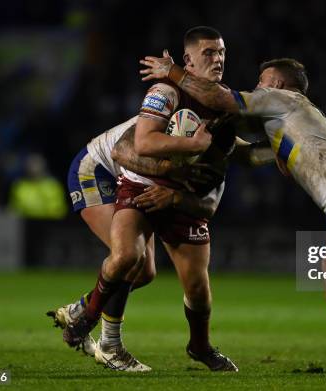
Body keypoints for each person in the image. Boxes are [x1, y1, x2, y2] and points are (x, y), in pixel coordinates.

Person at [140, 55, 326, 376]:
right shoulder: (288, 117)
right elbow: (247, 148)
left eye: (262, 80)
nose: (257, 86)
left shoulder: (282, 98)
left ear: (276, 84)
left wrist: (173, 73)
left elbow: (219, 97)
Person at [62, 26, 244, 372]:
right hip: (112, 172)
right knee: (130, 260)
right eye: (209, 53)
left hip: (172, 189)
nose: (218, 59)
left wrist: (176, 195)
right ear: (187, 61)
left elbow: (210, 198)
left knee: (195, 285)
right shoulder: (165, 91)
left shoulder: (225, 111)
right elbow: (134, 147)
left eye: (221, 53)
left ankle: (198, 345)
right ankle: (99, 330)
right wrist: (191, 148)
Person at [48, 114, 223, 370]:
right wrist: (172, 171)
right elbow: (122, 153)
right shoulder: (156, 121)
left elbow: (213, 196)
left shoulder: (211, 138)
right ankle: (109, 345)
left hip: (125, 174)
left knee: (145, 272)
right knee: (131, 258)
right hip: (97, 169)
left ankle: (81, 309)